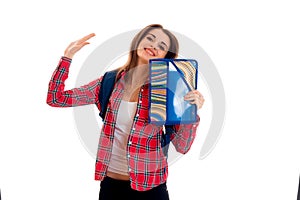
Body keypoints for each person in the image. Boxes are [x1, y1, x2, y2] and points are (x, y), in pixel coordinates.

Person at [47, 24, 205, 200]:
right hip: (111, 187)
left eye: (161, 46)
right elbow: (56, 98)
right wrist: (68, 56)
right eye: (150, 38)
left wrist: (191, 112)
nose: (154, 46)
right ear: (138, 41)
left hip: (151, 189)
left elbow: (182, 146)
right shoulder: (109, 82)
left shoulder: (168, 91)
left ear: (166, 57)